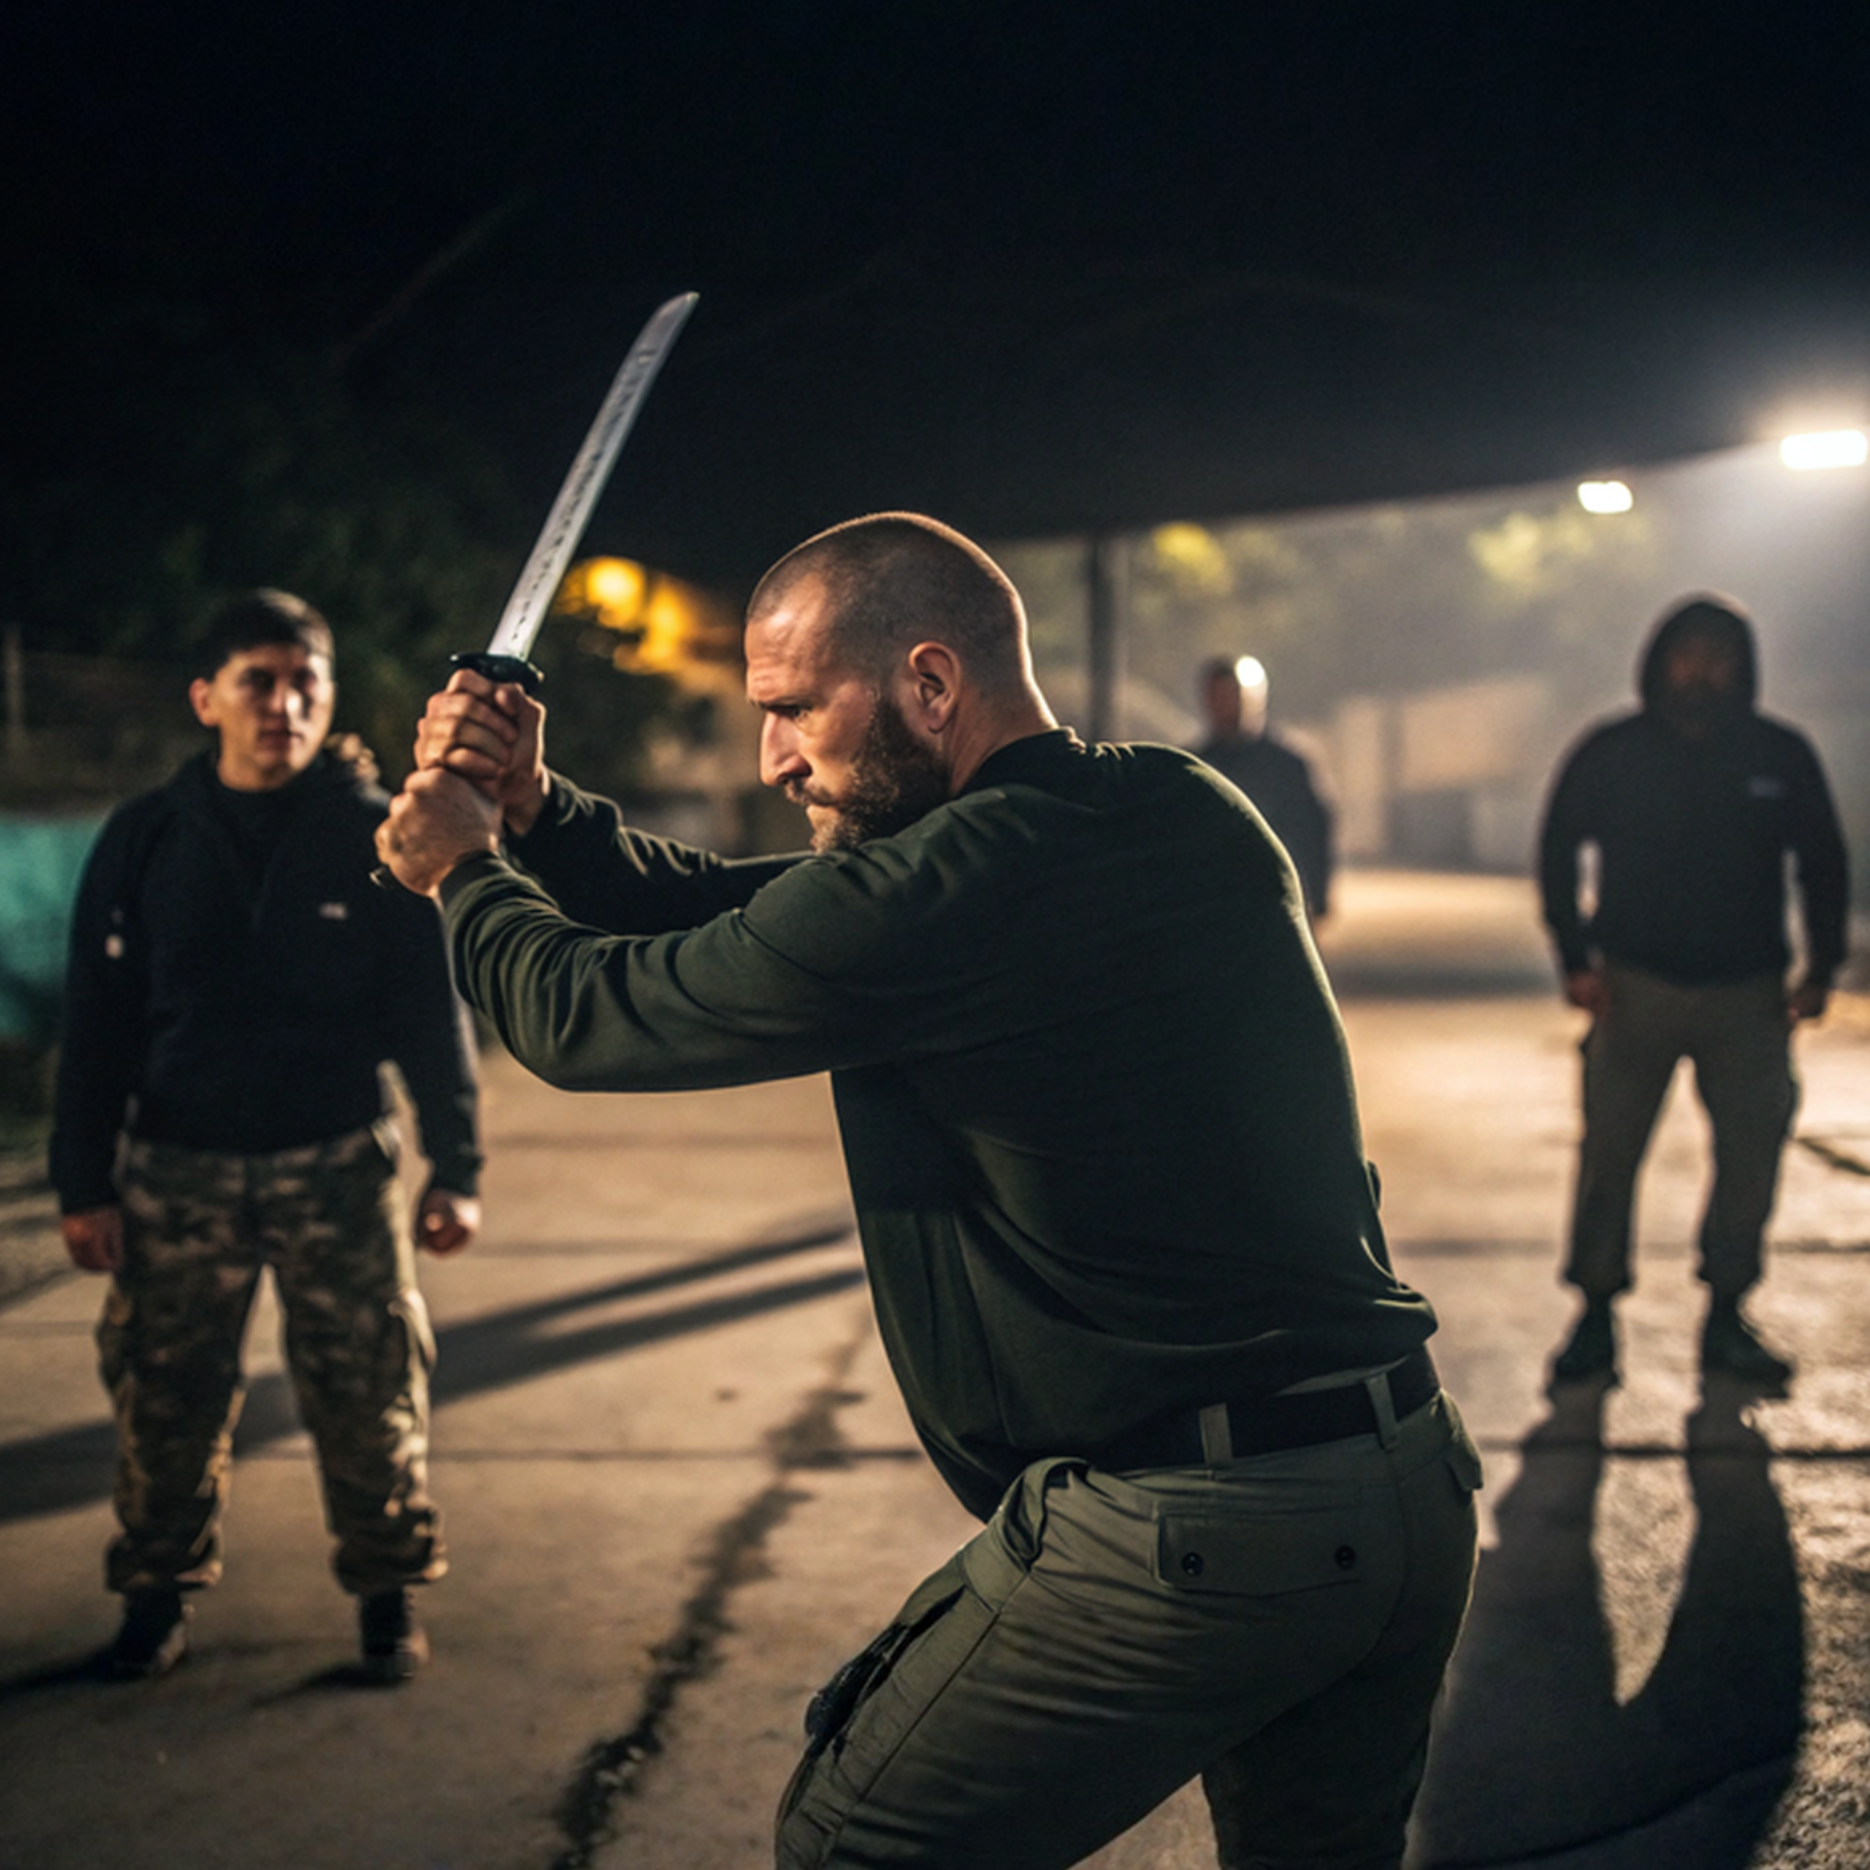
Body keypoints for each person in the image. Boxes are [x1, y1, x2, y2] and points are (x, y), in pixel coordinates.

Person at [378, 514, 1480, 1870]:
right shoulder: (1173, 806)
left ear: (928, 683)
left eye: (791, 710)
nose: (772, 756)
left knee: (856, 1838)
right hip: (1401, 1493)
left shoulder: (941, 893)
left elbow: (589, 1012)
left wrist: (461, 868)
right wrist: (543, 818)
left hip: (1199, 1532)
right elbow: (736, 914)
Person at [50, 588, 483, 1684]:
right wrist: (81, 1181)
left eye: (305, 683)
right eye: (258, 681)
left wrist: (456, 1165)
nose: (284, 704)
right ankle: (156, 1596)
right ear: (208, 698)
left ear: (327, 696)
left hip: (335, 1161)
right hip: (174, 1169)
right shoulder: (146, 839)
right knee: (164, 1392)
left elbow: (429, 1014)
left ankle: (386, 1599)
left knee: (368, 1387)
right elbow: (96, 1023)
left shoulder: (377, 832)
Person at [1537, 593, 1849, 1387]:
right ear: (1659, 660)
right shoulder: (1614, 751)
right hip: (1632, 989)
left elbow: (1824, 863)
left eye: (1719, 656)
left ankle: (1727, 1313)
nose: (1703, 670)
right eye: (1689, 653)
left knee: (1751, 1157)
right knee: (1610, 1155)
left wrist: (1822, 967)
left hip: (1749, 996)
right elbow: (1557, 847)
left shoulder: (1778, 754)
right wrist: (1574, 957)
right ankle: (1595, 1317)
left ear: (1742, 666)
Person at [1195, 654, 1335, 919]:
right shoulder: (1194, 766)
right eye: (1217, 695)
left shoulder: (1289, 766)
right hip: (1213, 905)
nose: (1225, 704)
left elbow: (1314, 830)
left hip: (1277, 900)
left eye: (1233, 694)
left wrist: (1318, 894)